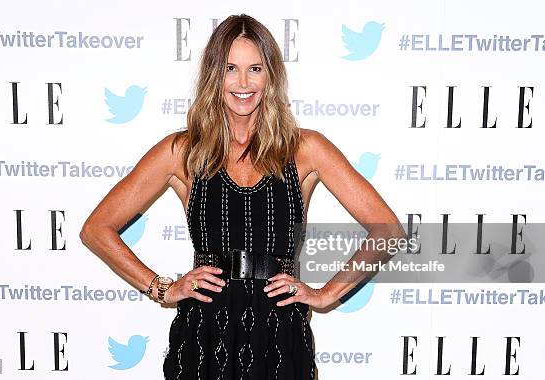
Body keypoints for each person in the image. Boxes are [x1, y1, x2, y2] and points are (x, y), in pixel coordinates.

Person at [80, 13, 404, 379]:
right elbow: (96, 229)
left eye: (256, 68)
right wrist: (162, 288)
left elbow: (388, 231)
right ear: (214, 74)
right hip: (203, 334)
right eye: (231, 68)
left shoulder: (306, 149)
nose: (243, 82)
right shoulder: (184, 151)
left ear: (271, 77)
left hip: (280, 335)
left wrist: (327, 294)